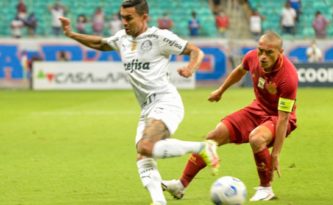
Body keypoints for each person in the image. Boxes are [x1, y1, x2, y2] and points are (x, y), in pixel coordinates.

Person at [58, 1, 219, 205]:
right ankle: (159, 201)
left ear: (144, 17)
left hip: (165, 101)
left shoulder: (160, 37)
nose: (123, 22)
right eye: (122, 17)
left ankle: (202, 147)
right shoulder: (122, 38)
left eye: (129, 18)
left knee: (145, 146)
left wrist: (190, 68)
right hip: (146, 109)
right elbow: (100, 43)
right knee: (143, 157)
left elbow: (195, 51)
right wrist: (71, 34)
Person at [162, 31, 298, 201]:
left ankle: (266, 188)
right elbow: (240, 70)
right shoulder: (252, 57)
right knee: (212, 138)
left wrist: (276, 154)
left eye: (269, 52)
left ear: (280, 52)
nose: (263, 56)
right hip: (257, 109)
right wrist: (221, 90)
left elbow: (284, 118)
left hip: (279, 117)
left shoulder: (288, 77)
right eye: (260, 50)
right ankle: (180, 185)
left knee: (256, 139)